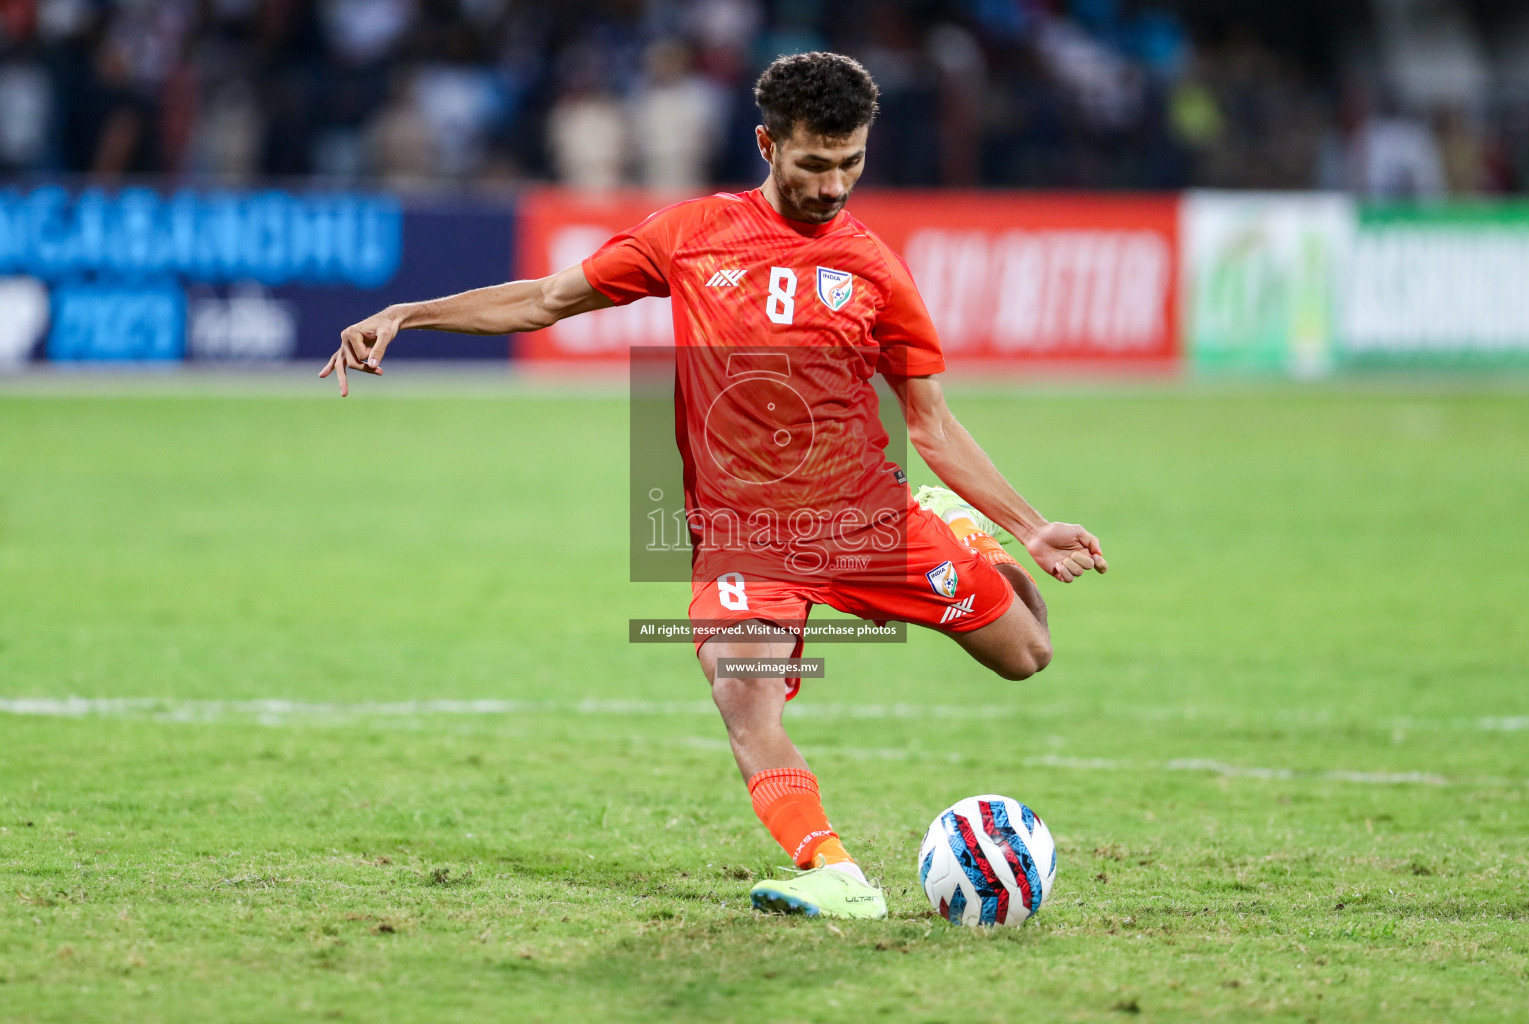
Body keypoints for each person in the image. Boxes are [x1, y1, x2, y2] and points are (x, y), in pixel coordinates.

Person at [322, 51, 1107, 920]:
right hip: (743, 539)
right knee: (747, 703)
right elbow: (545, 298)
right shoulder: (692, 233)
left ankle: (959, 530)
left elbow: (930, 425)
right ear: (768, 144)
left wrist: (1028, 527)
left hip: (868, 519)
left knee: (1026, 656)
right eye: (814, 163)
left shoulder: (877, 270)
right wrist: (406, 313)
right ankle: (835, 872)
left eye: (851, 163)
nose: (834, 184)